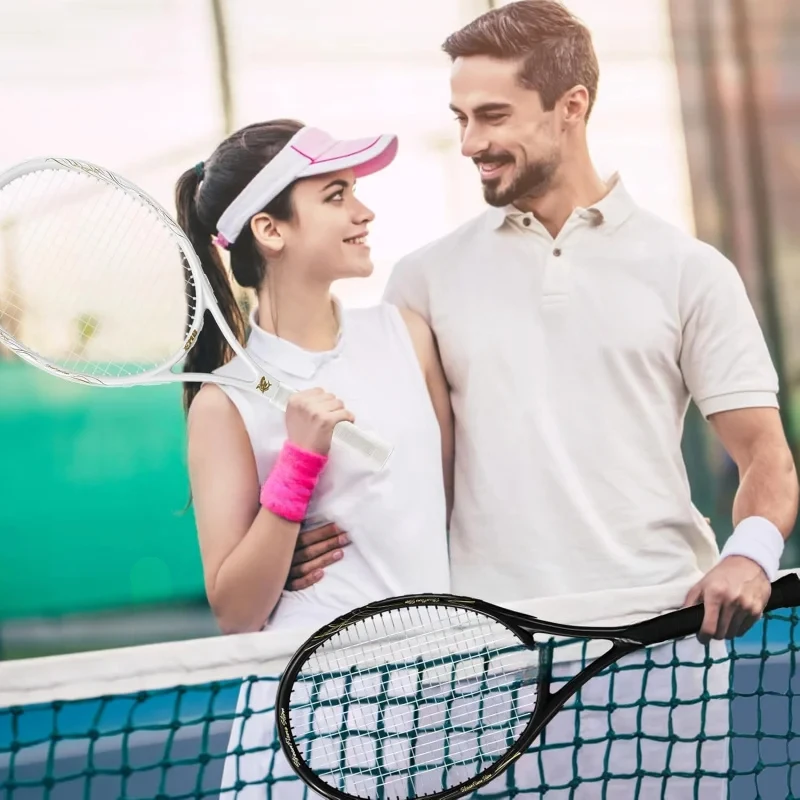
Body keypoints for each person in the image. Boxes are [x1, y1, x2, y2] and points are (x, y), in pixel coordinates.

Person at [293, 2, 799, 797]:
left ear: (572, 106)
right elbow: (410, 467)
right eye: (459, 117)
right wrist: (307, 541)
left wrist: (751, 552)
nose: (470, 143)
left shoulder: (690, 269)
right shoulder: (422, 280)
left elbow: (765, 456)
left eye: (493, 115)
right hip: (482, 651)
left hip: (660, 639)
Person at [174, 118, 454, 797]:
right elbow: (236, 609)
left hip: (441, 704)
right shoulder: (224, 403)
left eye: (355, 190)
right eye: (335, 195)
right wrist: (295, 473)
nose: (364, 210)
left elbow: (430, 499)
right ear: (271, 231)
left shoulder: (406, 335)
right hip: (312, 724)